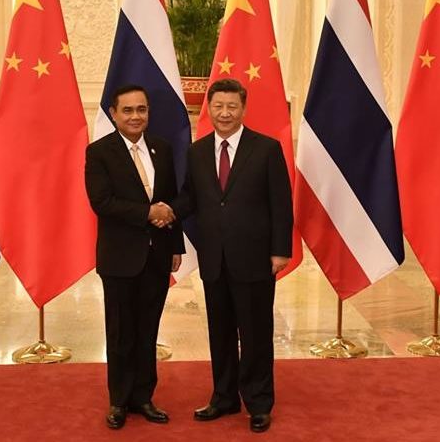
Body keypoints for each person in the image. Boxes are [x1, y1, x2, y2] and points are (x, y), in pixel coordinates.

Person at [169, 78, 293, 433]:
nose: (225, 113)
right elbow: (190, 198)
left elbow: (281, 204)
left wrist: (280, 250)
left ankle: (258, 402)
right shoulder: (197, 151)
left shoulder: (266, 149)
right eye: (218, 106)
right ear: (209, 108)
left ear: (243, 109)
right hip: (215, 259)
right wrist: (165, 210)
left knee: (255, 333)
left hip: (255, 258)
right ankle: (223, 397)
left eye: (232, 107)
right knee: (220, 331)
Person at [84, 85, 183, 430]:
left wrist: (176, 247)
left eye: (141, 109)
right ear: (113, 114)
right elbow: (102, 202)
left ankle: (144, 396)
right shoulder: (99, 152)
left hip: (157, 256)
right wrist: (147, 213)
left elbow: (172, 198)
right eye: (127, 110)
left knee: (147, 329)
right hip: (120, 259)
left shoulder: (163, 148)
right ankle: (119, 400)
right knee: (121, 331)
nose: (135, 116)